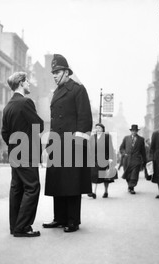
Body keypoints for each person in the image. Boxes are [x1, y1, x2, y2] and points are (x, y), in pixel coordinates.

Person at [43, 54, 93, 233]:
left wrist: (79, 146)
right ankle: (59, 217)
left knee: (72, 183)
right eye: (53, 73)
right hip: (57, 144)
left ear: (66, 72)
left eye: (57, 72)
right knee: (58, 182)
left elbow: (85, 119)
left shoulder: (78, 90)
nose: (54, 75)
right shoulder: (56, 92)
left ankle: (73, 220)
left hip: (72, 146)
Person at [2, 72, 44, 238]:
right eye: (27, 81)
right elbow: (39, 125)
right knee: (32, 187)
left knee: (17, 189)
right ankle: (23, 226)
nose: (29, 84)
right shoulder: (26, 102)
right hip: (27, 153)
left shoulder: (8, 106)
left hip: (14, 153)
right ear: (21, 82)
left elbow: (4, 133)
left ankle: (14, 226)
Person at [88, 123, 116, 199]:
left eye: (99, 128)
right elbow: (89, 148)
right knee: (94, 175)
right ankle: (93, 192)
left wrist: (110, 158)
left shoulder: (107, 137)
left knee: (105, 177)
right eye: (96, 128)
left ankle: (106, 191)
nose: (98, 129)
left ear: (103, 129)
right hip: (94, 160)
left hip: (104, 159)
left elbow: (110, 147)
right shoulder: (92, 137)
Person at [119, 124, 147, 194]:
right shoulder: (126, 138)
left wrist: (144, 160)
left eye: (135, 131)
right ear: (131, 131)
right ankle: (129, 185)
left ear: (137, 131)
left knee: (134, 174)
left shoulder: (141, 139)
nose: (134, 132)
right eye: (132, 131)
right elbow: (121, 148)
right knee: (128, 174)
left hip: (136, 159)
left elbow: (143, 151)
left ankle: (132, 187)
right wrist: (124, 153)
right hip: (127, 159)